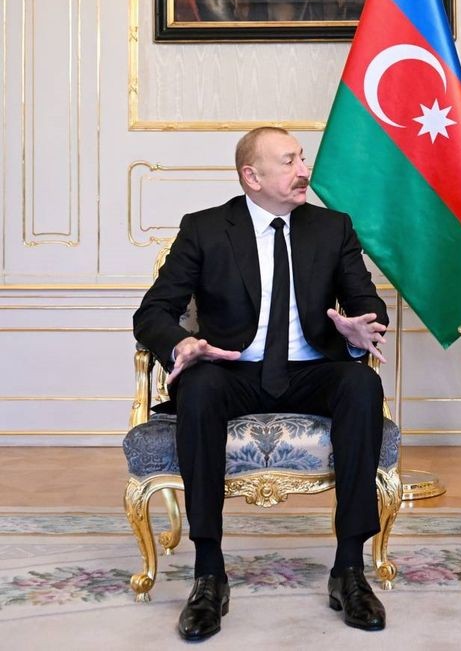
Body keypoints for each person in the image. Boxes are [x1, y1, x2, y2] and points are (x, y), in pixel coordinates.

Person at [133, 126, 390, 640]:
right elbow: (153, 312)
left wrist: (359, 327)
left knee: (362, 387)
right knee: (199, 389)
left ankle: (350, 569)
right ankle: (209, 573)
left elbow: (368, 304)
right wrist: (181, 344)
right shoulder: (205, 229)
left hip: (311, 368)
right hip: (231, 367)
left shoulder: (332, 227)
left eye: (303, 159)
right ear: (252, 176)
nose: (304, 171)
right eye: (290, 161)